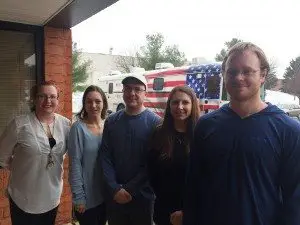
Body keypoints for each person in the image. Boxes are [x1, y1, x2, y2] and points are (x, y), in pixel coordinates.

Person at [183, 42, 300, 225]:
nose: (238, 77)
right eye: (232, 72)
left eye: (247, 71)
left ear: (263, 75)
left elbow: (295, 200)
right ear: (223, 75)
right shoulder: (205, 126)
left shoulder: (288, 130)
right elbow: (193, 188)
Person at [0, 80, 70, 225]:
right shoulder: (19, 124)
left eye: (52, 96)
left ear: (58, 99)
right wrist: (21, 166)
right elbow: (2, 156)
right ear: (34, 98)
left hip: (52, 196)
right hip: (23, 198)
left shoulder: (66, 124)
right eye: (42, 96)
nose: (47, 101)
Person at [100, 74, 161, 225]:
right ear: (123, 91)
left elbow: (153, 163)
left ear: (145, 93)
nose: (132, 93)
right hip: (115, 197)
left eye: (137, 89)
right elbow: (105, 156)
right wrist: (114, 188)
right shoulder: (111, 121)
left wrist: (129, 189)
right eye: (128, 88)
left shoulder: (156, 123)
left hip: (143, 197)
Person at [148, 86, 200, 225]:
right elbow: (152, 172)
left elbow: (205, 178)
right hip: (164, 210)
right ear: (169, 105)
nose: (180, 107)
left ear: (193, 105)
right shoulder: (159, 134)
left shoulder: (201, 135)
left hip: (193, 211)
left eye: (185, 102)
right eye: (175, 102)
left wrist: (186, 210)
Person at [68, 85, 108, 225]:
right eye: (89, 101)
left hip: (106, 195)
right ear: (84, 104)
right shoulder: (78, 128)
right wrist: (78, 197)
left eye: (97, 101)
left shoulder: (108, 126)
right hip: (87, 198)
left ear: (104, 102)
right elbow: (75, 164)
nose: (93, 105)